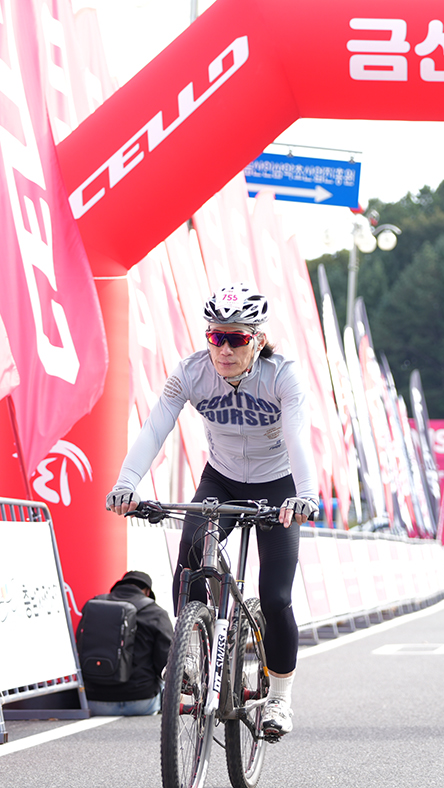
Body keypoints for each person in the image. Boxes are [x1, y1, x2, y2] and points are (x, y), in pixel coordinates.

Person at [107, 282, 316, 739]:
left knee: (276, 596)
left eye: (236, 338)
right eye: (215, 337)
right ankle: (190, 653)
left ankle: (280, 699)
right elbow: (155, 427)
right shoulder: (190, 372)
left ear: (258, 340)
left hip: (278, 485)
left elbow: (298, 436)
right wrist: (127, 484)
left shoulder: (282, 375)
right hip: (221, 479)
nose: (224, 349)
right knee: (191, 560)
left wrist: (305, 494)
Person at [83, 571, 173, 717]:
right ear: (147, 592)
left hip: (94, 701)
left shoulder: (94, 606)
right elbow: (166, 663)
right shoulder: (156, 612)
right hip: (142, 702)